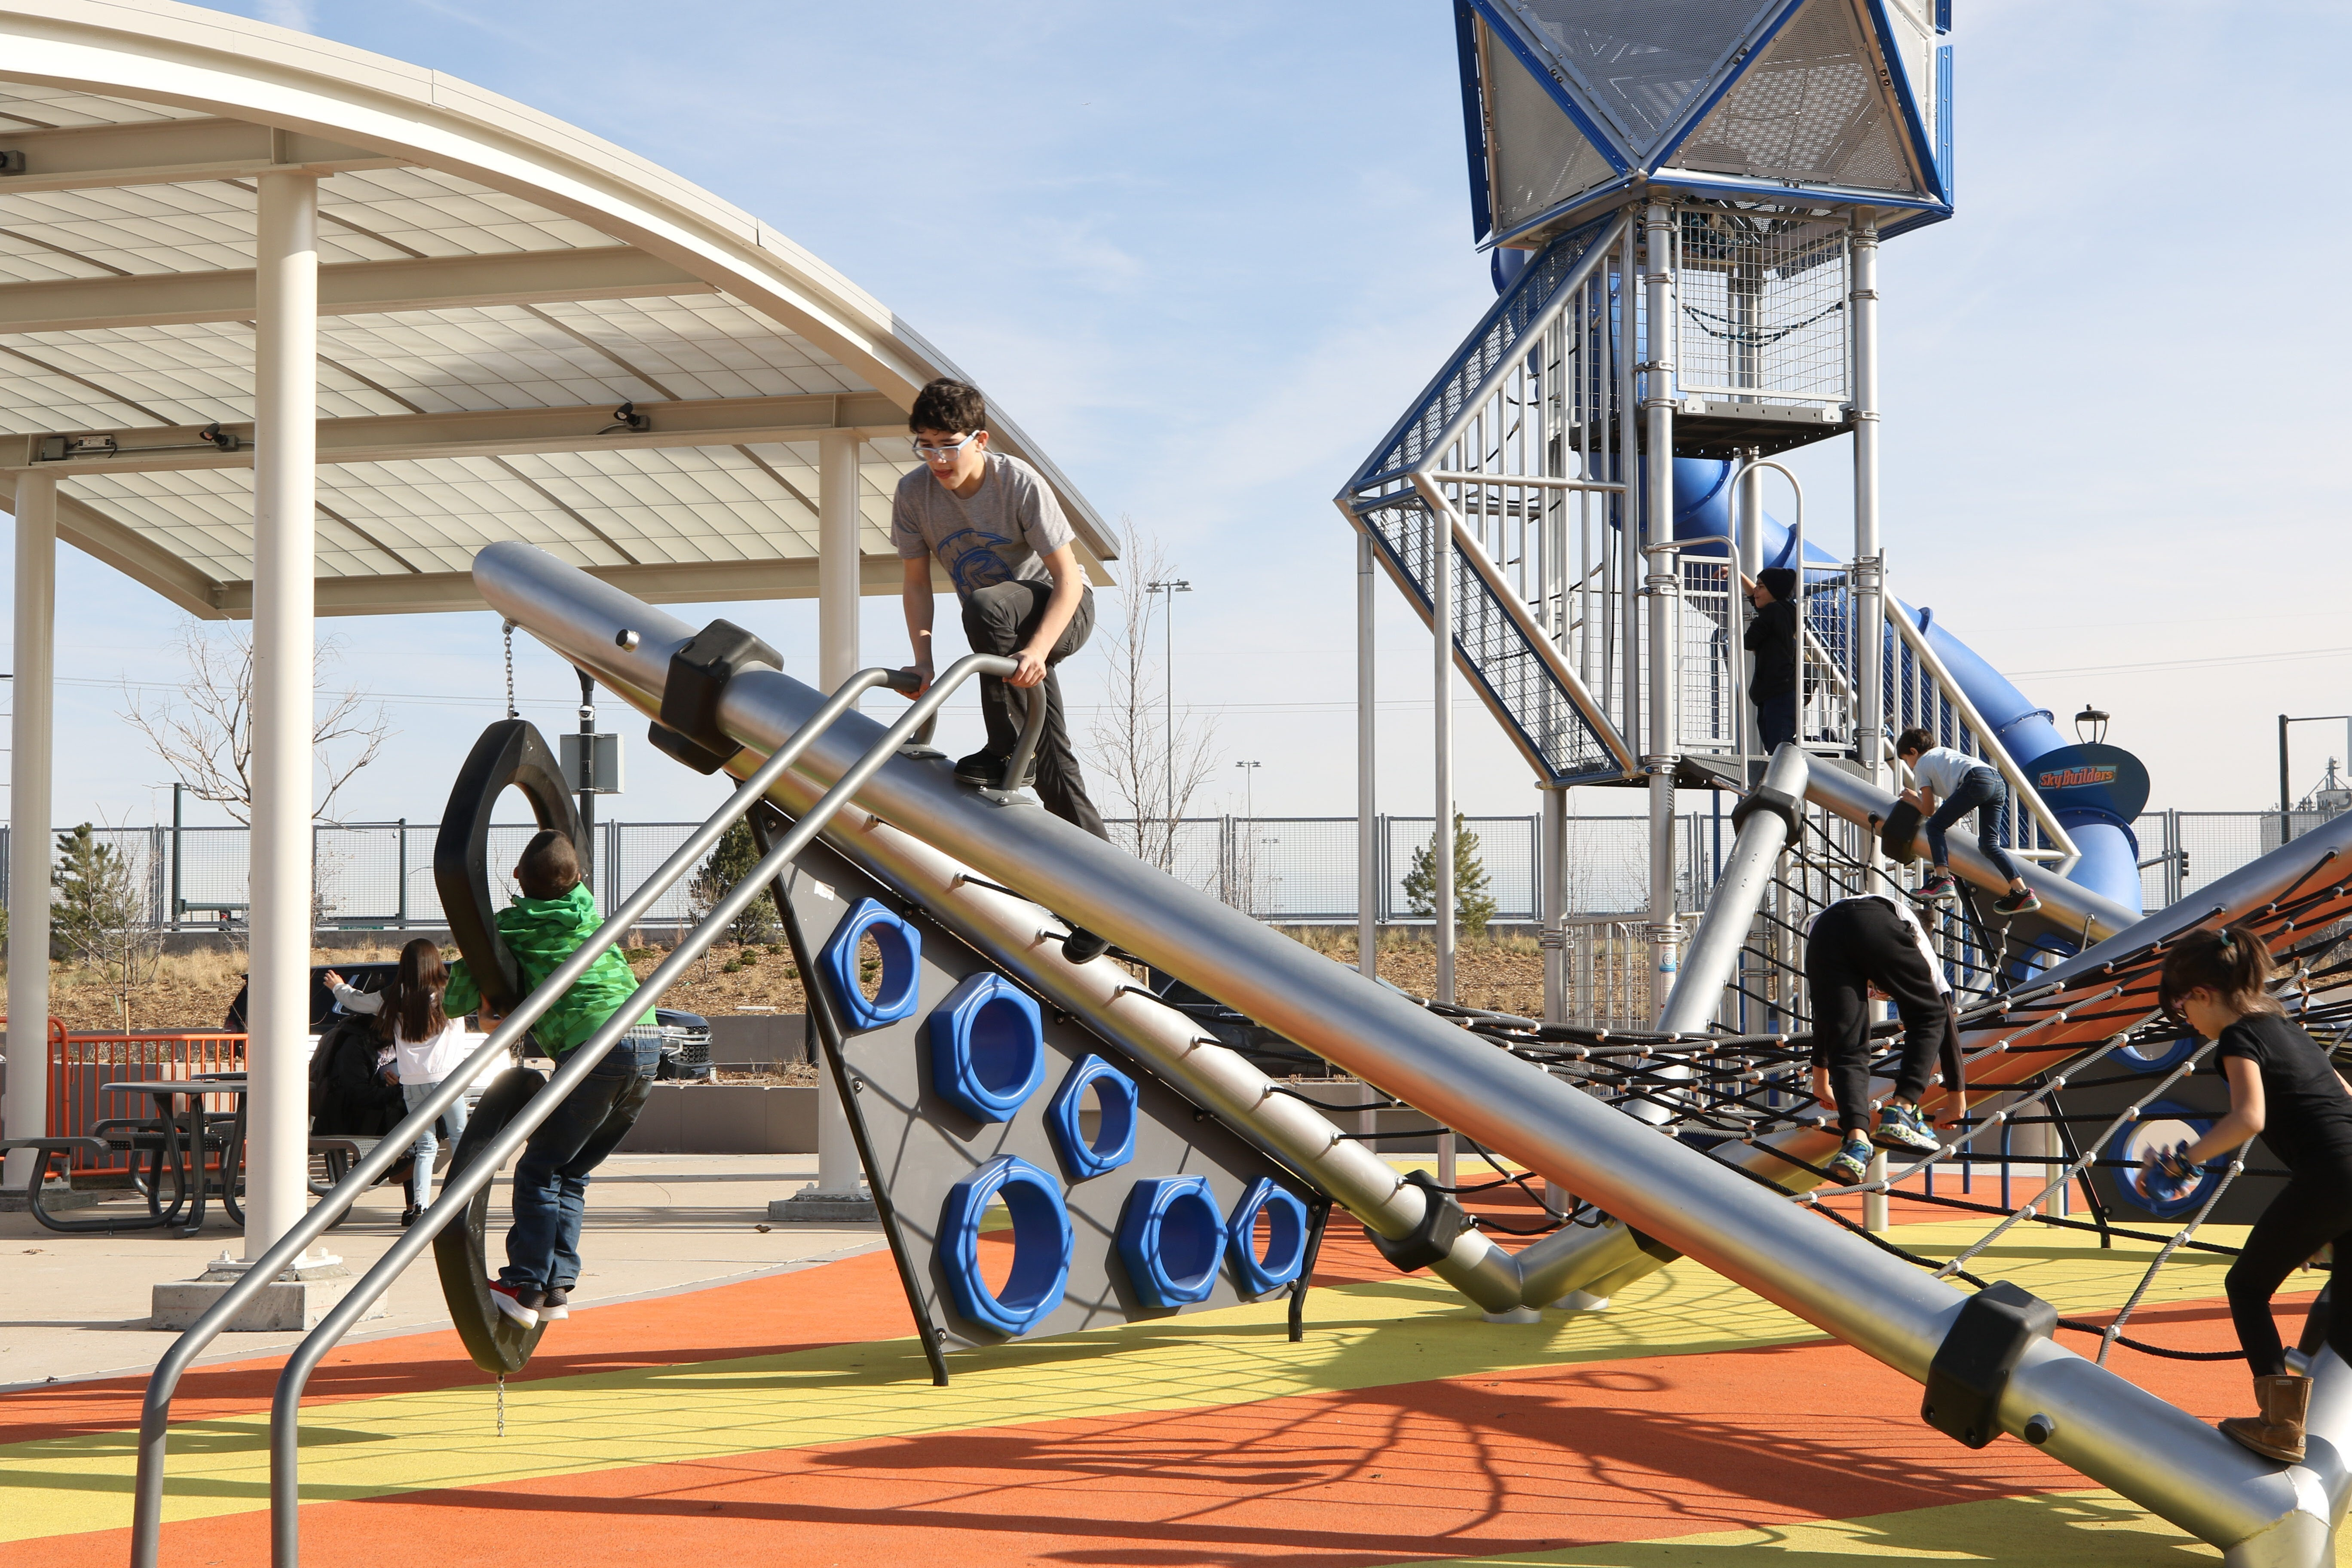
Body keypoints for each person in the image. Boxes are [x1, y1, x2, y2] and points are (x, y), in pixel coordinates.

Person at [2144, 925, 2352, 1464]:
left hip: (2335, 1174)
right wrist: (2324, 1223)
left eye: (2183, 1011)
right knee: (2349, 1330)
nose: (2188, 1023)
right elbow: (2343, 1096)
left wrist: (2185, 1160)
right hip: (2343, 1172)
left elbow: (2249, 1117)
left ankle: (2281, 1425)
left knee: (2247, 1286)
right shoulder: (2286, 1027)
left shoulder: (2239, 1038)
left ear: (2202, 995)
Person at [441, 829, 660, 1329]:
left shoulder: (513, 929)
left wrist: (484, 988)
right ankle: (557, 1286)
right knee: (571, 1169)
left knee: (540, 1169)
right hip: (647, 1039)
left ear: (516, 877)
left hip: (593, 1047)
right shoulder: (589, 911)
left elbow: (454, 1001)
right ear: (580, 877)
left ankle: (525, 1284)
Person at [891, 377, 1107, 841]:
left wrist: (1037, 650)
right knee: (1052, 755)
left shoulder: (1018, 483)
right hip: (998, 625)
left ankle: (1005, 746)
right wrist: (924, 662)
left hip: (1061, 610)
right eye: (925, 447)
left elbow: (1069, 579)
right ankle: (1109, 885)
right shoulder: (913, 494)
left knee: (986, 605)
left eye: (949, 447)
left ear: (980, 441)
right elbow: (916, 584)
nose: (938, 460)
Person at [1804, 891, 1966, 1185]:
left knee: (1848, 1042)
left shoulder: (1828, 924)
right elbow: (1941, 1012)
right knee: (1927, 1014)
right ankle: (1903, 1109)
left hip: (1823, 931)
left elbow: (1828, 1024)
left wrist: (1820, 1080)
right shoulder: (1911, 933)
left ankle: (1855, 1142)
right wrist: (1957, 1099)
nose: (1878, 994)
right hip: (1872, 923)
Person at [326, 938, 473, 1229]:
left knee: (425, 1147)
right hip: (448, 1081)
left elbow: (357, 1001)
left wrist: (337, 987)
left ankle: (421, 1206)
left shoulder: (394, 996)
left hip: (412, 1083)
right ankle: (464, 1201)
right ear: (436, 962)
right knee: (460, 1138)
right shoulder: (449, 992)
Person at [1894, 726, 2042, 916]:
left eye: (1907, 760)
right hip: (1996, 781)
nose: (1910, 766)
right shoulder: (1944, 753)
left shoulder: (1922, 764)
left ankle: (1942, 879)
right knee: (1988, 845)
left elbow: (1929, 811)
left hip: (1975, 780)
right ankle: (2023, 892)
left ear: (1914, 752)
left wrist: (1914, 799)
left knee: (1935, 826)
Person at [1743, 566, 1800, 754]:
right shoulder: (1787, 611)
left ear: (1774, 591)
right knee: (1778, 745)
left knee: (1779, 748)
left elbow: (1749, 641)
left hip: (1776, 689)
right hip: (1779, 688)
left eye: (1761, 587)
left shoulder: (1773, 611)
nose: (1755, 592)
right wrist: (1737, 574)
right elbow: (1755, 599)